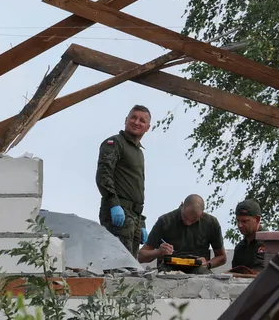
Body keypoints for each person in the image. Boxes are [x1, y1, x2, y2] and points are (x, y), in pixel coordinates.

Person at [96, 105, 150, 255]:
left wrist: (142, 221)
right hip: (119, 214)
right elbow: (103, 175)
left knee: (131, 269)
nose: (136, 122)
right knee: (119, 267)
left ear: (147, 127)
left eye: (142, 120)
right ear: (126, 120)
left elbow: (136, 188)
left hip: (134, 218)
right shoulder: (115, 143)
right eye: (133, 117)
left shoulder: (138, 152)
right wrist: (113, 203)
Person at [138, 194, 226, 274]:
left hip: (198, 269)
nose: (188, 223)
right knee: (163, 275)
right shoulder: (165, 221)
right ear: (181, 205)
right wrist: (158, 252)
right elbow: (141, 256)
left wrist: (207, 264)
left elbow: (222, 257)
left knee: (203, 275)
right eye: (185, 218)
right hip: (169, 268)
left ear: (201, 213)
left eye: (193, 220)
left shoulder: (211, 223)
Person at [228, 198, 265, 275]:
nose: (240, 225)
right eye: (238, 221)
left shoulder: (268, 244)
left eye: (245, 221)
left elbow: (260, 274)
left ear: (257, 219)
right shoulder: (240, 247)